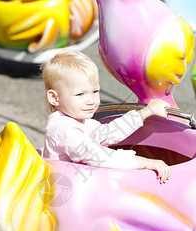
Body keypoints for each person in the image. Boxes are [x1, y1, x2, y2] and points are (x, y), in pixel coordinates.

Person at [41, 50, 171, 183]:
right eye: (80, 94)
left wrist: (145, 112)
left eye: (95, 91)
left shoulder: (82, 122)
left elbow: (109, 132)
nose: (91, 100)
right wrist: (144, 163)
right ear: (54, 98)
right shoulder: (64, 130)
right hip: (65, 192)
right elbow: (99, 157)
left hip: (80, 186)